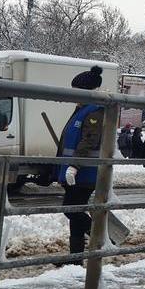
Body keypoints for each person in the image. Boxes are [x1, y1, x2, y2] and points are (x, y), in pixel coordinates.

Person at [57, 66, 105, 257]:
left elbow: (90, 141)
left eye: (76, 90)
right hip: (76, 171)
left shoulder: (93, 111)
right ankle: (75, 258)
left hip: (86, 172)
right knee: (74, 214)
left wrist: (74, 166)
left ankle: (102, 235)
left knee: (71, 209)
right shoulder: (82, 109)